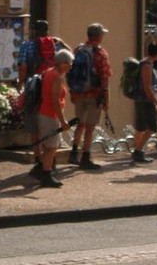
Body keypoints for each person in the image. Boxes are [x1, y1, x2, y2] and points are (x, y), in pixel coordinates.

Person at [17, 20, 69, 178]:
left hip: (33, 88)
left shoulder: (26, 45)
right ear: (47, 30)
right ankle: (50, 160)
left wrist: (21, 84)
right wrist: (61, 42)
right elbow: (69, 56)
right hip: (50, 83)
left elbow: (23, 66)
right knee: (50, 124)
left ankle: (38, 158)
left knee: (34, 126)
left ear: (33, 30)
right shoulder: (55, 44)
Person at [67, 22, 112, 170]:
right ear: (98, 36)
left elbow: (70, 72)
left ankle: (74, 152)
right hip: (94, 94)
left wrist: (72, 92)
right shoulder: (100, 53)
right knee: (90, 126)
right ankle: (85, 156)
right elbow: (104, 76)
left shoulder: (78, 50)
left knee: (80, 122)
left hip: (79, 92)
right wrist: (105, 97)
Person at [36, 48, 74, 187]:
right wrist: (63, 121)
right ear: (62, 63)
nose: (70, 66)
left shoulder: (49, 72)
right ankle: (46, 174)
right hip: (50, 115)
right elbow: (55, 100)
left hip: (43, 112)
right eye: (69, 63)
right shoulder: (57, 77)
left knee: (49, 146)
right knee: (52, 147)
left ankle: (44, 170)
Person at [131, 42, 157, 163]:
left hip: (140, 99)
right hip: (146, 100)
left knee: (141, 127)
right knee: (152, 127)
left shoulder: (144, 62)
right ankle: (138, 151)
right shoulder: (147, 65)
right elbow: (146, 87)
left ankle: (137, 150)